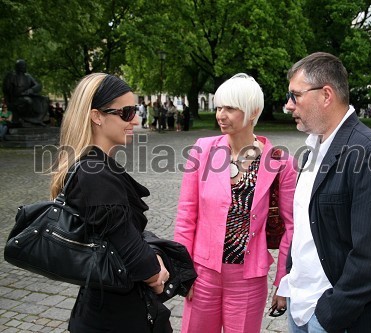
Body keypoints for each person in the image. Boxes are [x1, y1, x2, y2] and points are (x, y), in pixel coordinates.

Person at [277, 52, 371, 333]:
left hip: (342, 319)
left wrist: (326, 316)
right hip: (301, 308)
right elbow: (304, 228)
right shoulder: (314, 146)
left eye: (295, 96)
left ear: (326, 95)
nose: (288, 106)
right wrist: (290, 280)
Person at [49, 73, 172, 333]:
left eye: (135, 110)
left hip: (107, 306)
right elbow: (132, 253)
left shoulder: (93, 167)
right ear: (97, 116)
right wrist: (157, 273)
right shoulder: (94, 172)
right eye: (126, 112)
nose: (136, 119)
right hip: (114, 317)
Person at [174, 73, 296, 333]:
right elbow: (186, 216)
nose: (220, 114)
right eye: (219, 107)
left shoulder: (280, 162)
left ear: (252, 112)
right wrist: (183, 271)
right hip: (203, 272)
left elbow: (291, 227)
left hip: (248, 279)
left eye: (230, 108)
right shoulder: (202, 150)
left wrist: (282, 282)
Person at [2, 59, 48, 126]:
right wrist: (8, 101)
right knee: (27, 101)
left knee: (45, 99)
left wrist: (31, 90)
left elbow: (38, 85)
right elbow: (6, 90)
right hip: (16, 99)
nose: (24, 67)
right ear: (18, 67)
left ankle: (38, 119)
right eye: (23, 66)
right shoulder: (11, 76)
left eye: (25, 66)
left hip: (29, 96)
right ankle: (26, 119)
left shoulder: (28, 76)